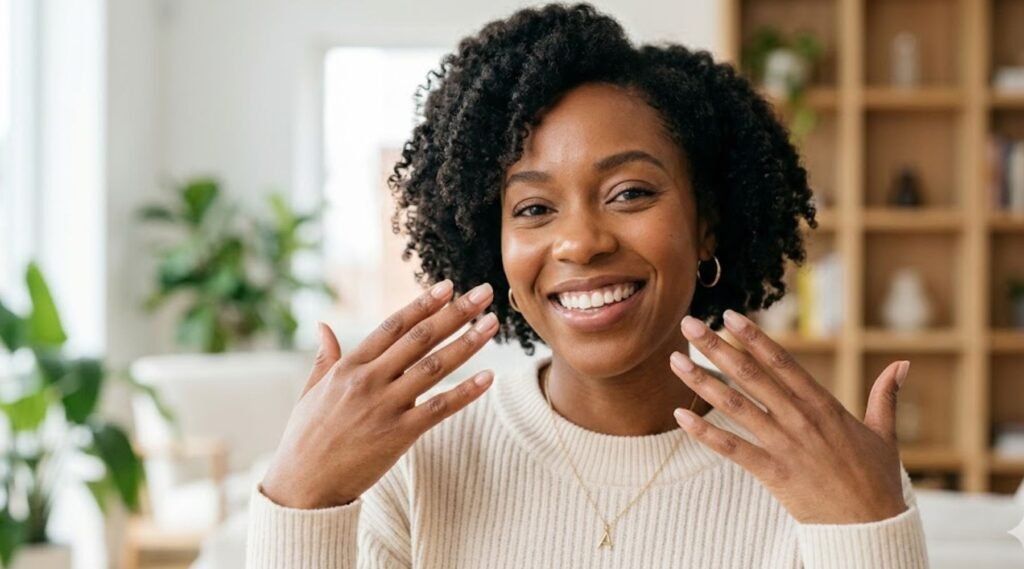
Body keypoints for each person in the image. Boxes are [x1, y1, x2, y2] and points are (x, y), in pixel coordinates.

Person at [247, 4, 929, 567]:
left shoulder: (826, 471)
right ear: (494, 247)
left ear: (707, 226)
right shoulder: (417, 466)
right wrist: (299, 498)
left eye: (629, 192)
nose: (580, 242)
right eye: (533, 208)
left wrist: (867, 530)